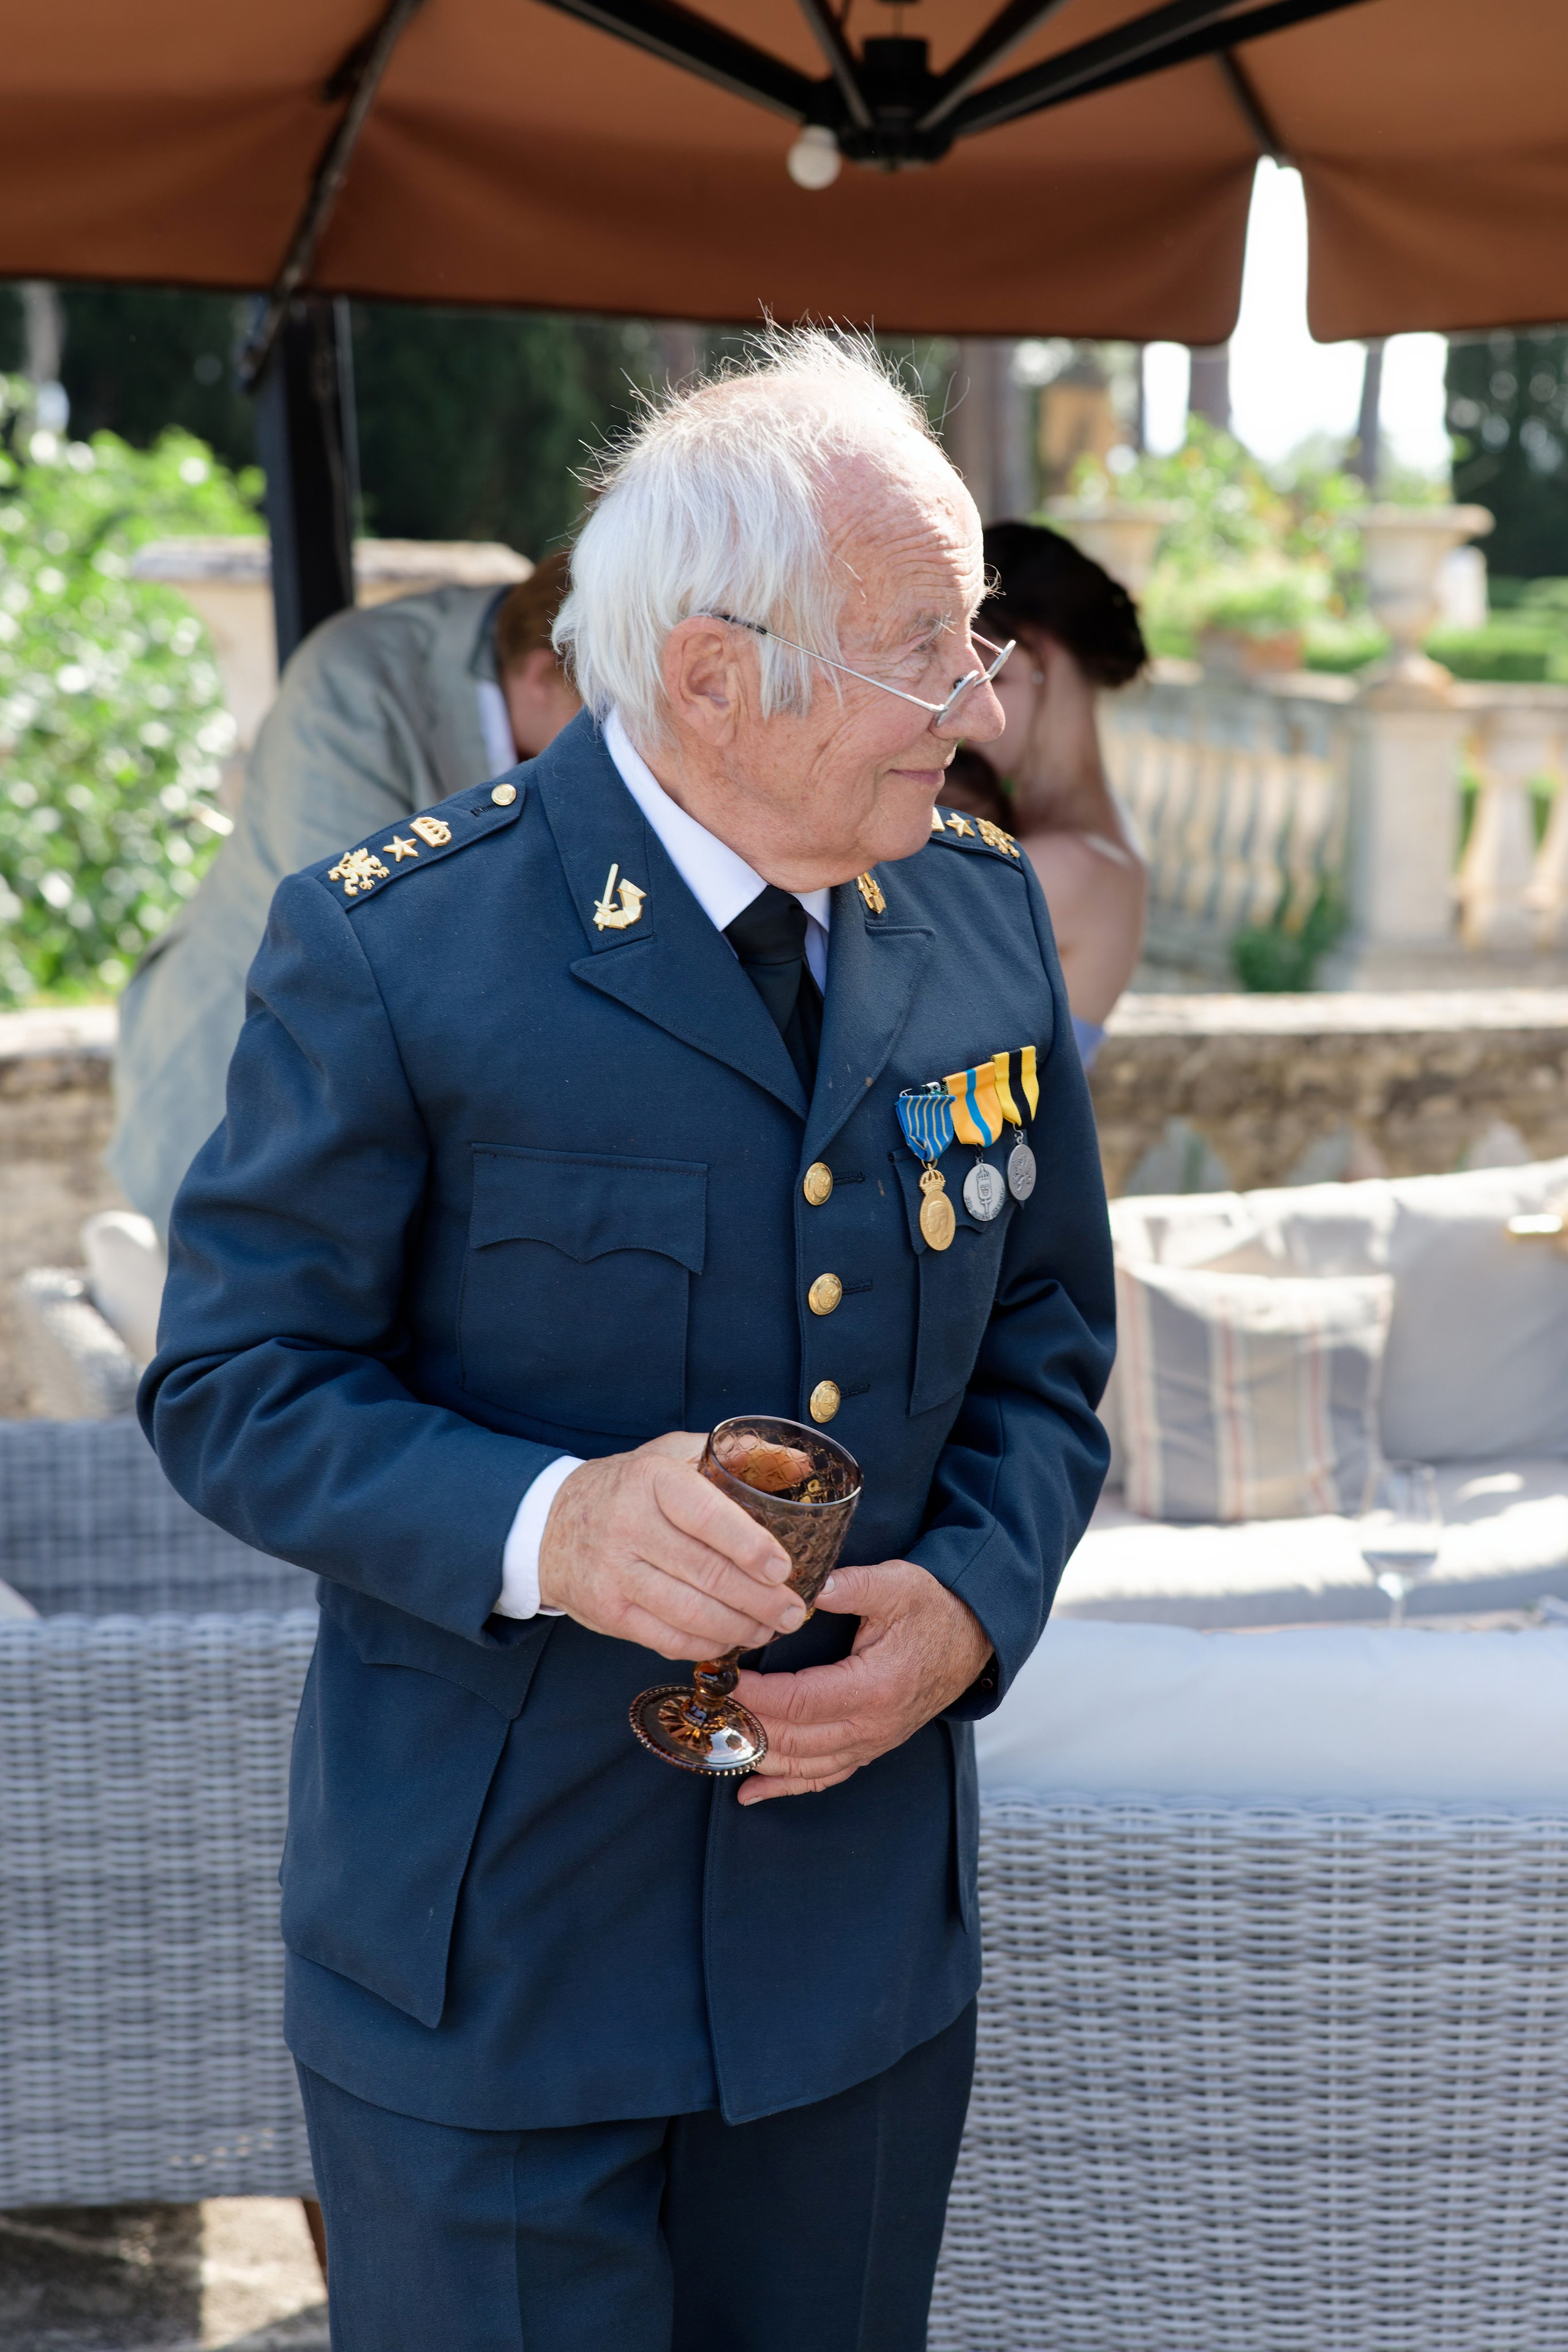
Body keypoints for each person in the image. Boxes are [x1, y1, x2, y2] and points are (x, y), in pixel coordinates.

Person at [140, 331, 1114, 2352]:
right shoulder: (399, 949)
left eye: (980, 645)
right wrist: (549, 1526)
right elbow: (232, 1385)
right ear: (705, 675)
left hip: (848, 1960)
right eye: (922, 648)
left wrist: (979, 1607)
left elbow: (1046, 1337)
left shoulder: (979, 918)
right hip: (496, 1969)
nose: (980, 702)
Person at [109, 551, 579, 1237]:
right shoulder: (356, 686)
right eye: (622, 712)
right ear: (542, 674)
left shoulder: (540, 662)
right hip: (237, 1102)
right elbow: (361, 968)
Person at [941, 520, 1148, 1068]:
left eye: (984, 674)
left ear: (1043, 657)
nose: (960, 712)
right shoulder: (1098, 842)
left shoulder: (1073, 866)